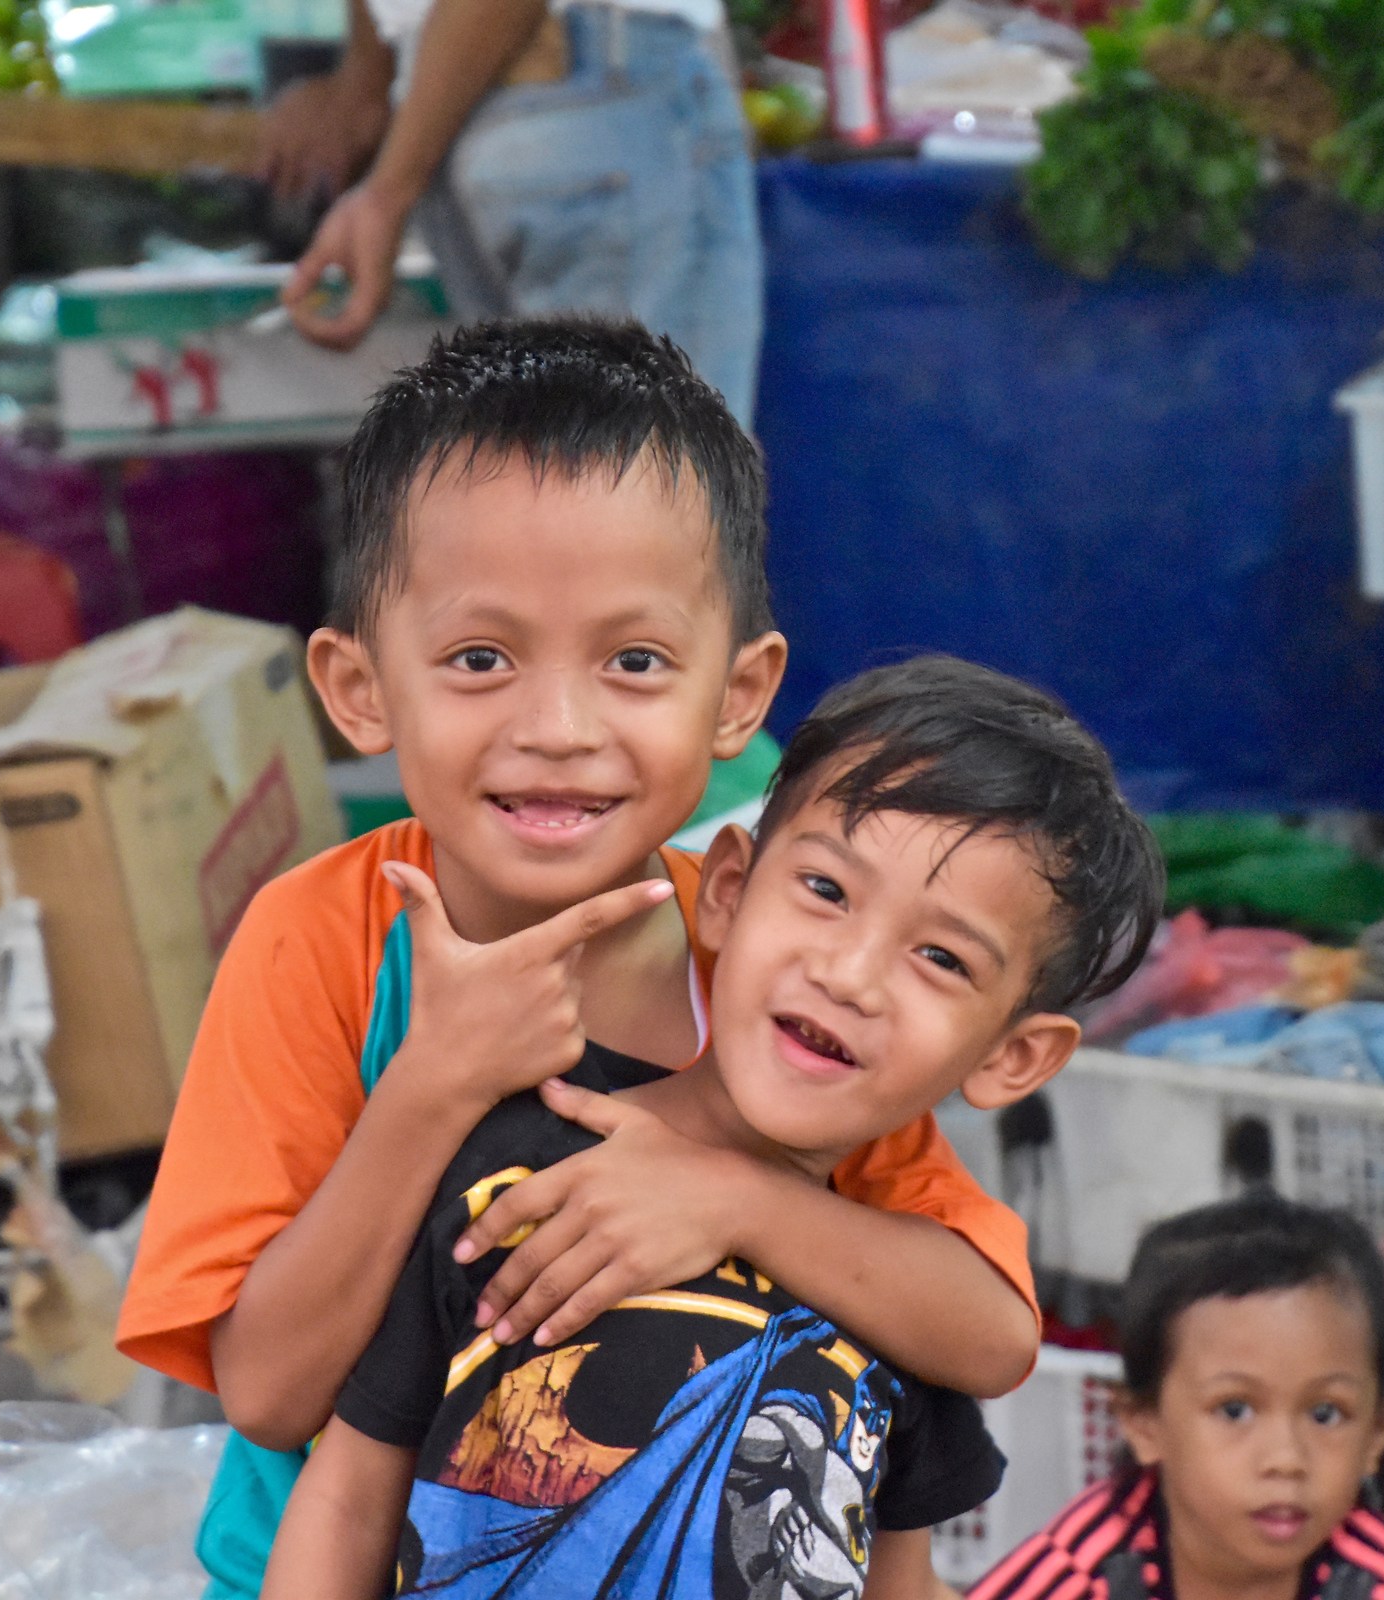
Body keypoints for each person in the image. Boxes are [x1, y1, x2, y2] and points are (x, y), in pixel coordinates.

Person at [117, 321, 1046, 1600]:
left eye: (636, 662)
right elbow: (272, 1396)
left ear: (739, 693)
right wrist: (436, 1080)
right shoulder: (323, 941)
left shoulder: (770, 966)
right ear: (358, 685)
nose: (559, 730)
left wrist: (736, 1198)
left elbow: (982, 1324)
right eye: (480, 658)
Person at [258, 655, 1169, 1600]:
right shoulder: (513, 1176)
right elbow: (352, 1498)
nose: (850, 975)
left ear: (1010, 1058)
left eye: (939, 956)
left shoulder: (899, 1306)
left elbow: (902, 1574)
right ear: (728, 891)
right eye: (826, 890)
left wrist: (740, 1206)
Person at [258, 0, 763, 425]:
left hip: (452, 96)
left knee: (551, 486)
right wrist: (386, 190)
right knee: (661, 495)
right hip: (580, 79)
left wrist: (368, 95)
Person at [965, 1195, 1384, 1600]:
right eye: (1235, 1410)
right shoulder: (1080, 1577)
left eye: (1325, 1414)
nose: (1286, 1459)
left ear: (1376, 1433)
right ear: (1144, 1422)